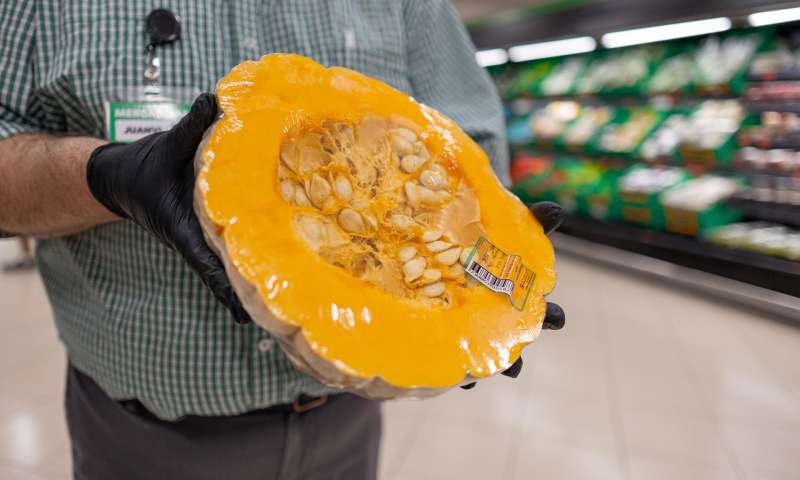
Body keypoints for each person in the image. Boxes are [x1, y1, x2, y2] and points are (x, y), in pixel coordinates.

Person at [0, 2, 565, 479]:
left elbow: (473, 140)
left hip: (347, 429)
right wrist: (102, 177)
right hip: (140, 440)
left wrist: (485, 269)